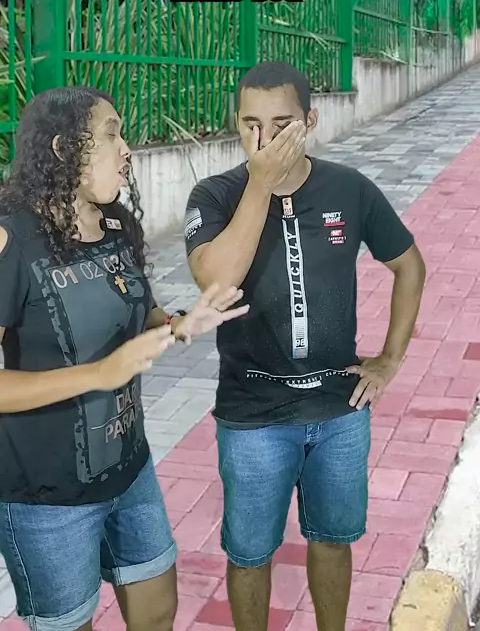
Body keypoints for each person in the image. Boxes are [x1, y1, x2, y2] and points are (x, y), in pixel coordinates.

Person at [184, 61, 426, 631]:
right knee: (249, 555)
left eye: (281, 125)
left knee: (334, 540)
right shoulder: (215, 195)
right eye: (251, 124)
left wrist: (389, 361)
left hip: (339, 411)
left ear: (310, 121)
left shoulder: (349, 188)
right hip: (253, 414)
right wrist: (260, 185)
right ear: (236, 123)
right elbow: (215, 281)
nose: (264, 139)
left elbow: (410, 266)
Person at [0, 86, 249, 631]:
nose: (126, 148)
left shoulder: (115, 225)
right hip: (47, 495)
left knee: (158, 610)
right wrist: (99, 373)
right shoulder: (11, 239)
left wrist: (178, 323)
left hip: (130, 469)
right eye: (111, 134)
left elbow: (139, 310)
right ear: (64, 148)